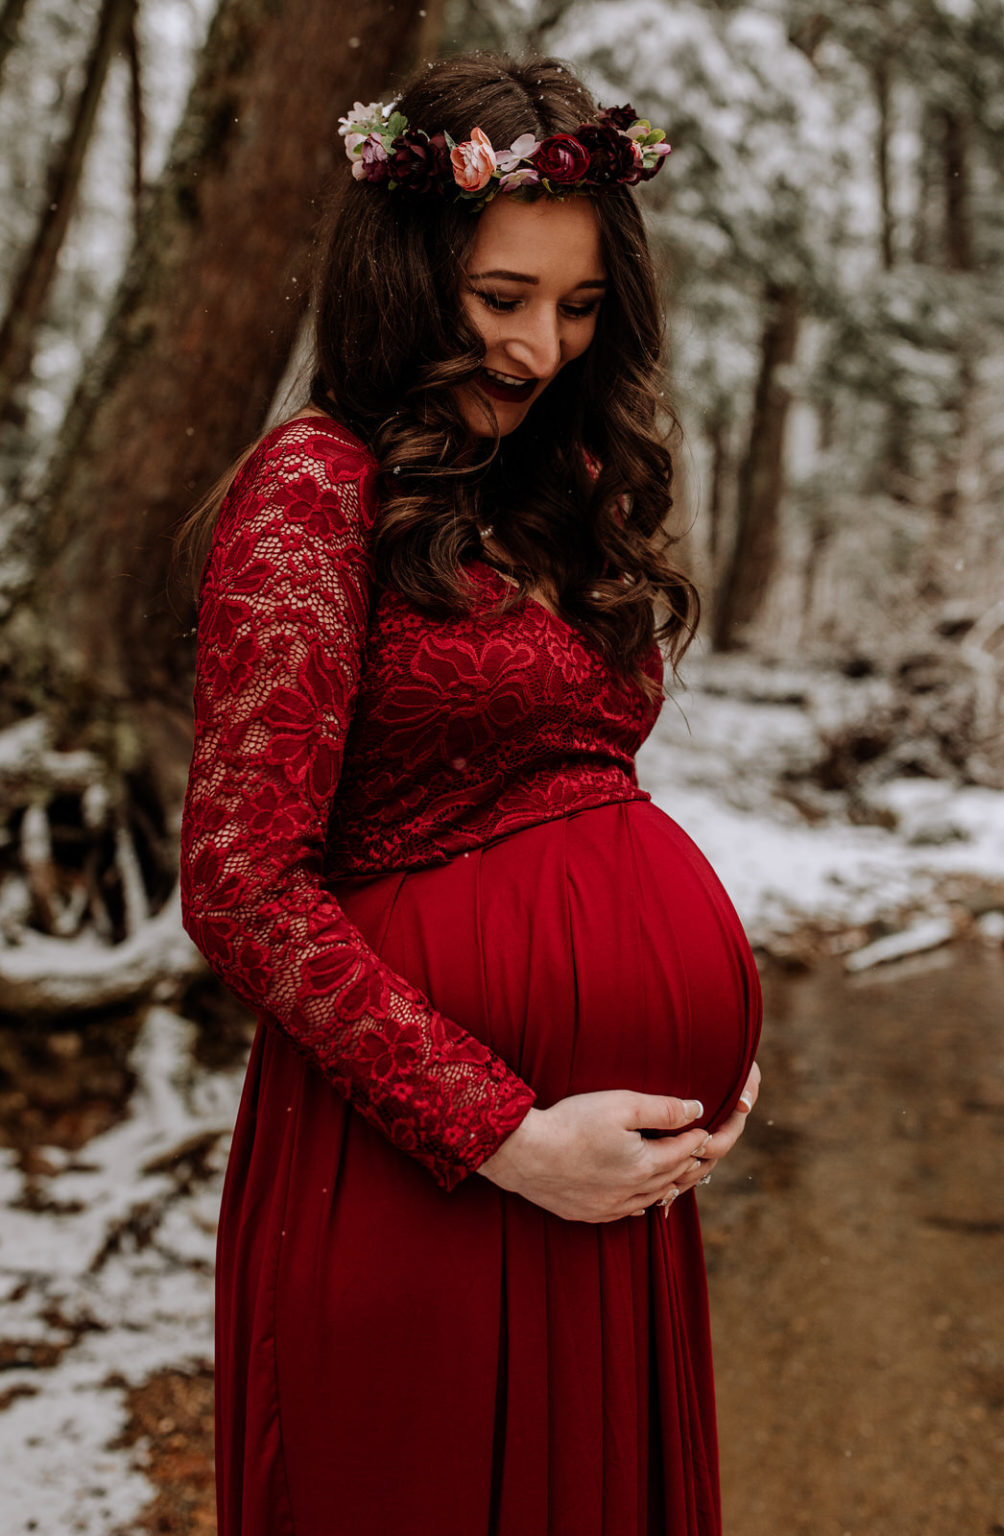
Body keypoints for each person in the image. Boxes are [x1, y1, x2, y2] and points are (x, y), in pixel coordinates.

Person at [180, 52, 762, 1536]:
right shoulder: (317, 490)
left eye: (579, 308)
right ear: (406, 271)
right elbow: (242, 882)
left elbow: (580, 799)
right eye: (502, 299)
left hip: (604, 1191)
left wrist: (704, 1066)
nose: (541, 347)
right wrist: (505, 1133)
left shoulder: (561, 486)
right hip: (421, 1170)